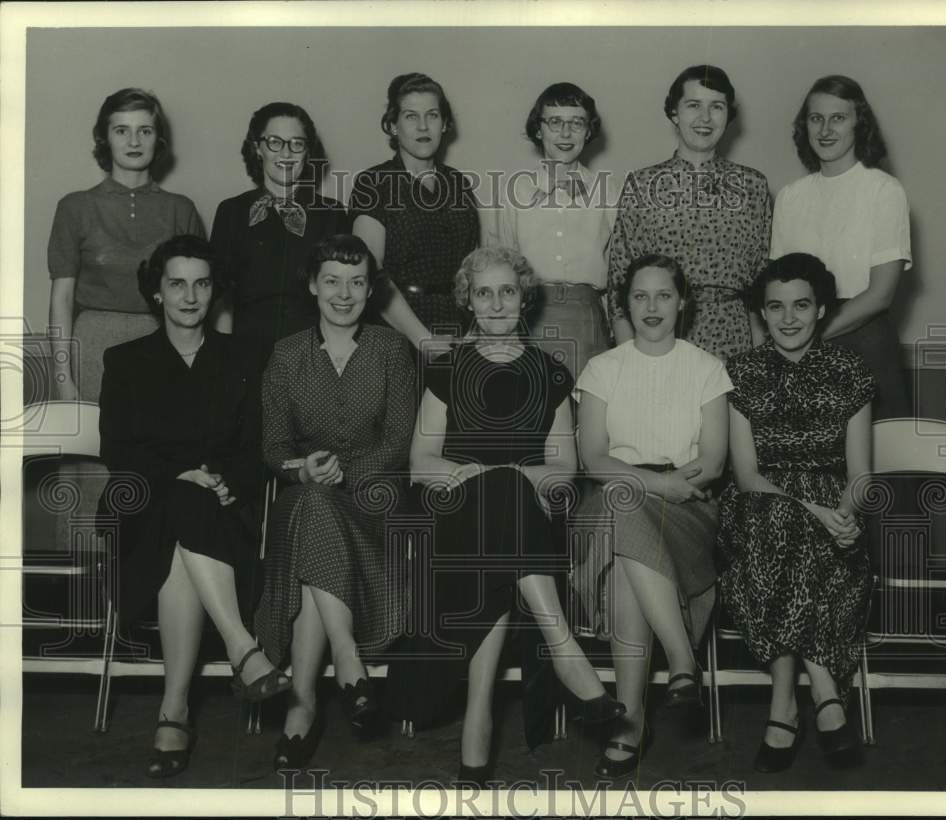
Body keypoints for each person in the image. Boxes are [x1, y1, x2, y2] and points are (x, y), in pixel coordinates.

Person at [391, 246, 625, 786]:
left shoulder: (550, 372)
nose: (496, 302)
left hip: (520, 531)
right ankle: (566, 653)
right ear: (467, 301)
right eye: (483, 292)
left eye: (507, 291)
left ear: (524, 298)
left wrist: (506, 479)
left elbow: (564, 468)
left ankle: (479, 719)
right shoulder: (447, 369)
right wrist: (488, 477)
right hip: (453, 525)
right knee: (501, 492)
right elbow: (421, 465)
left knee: (504, 506)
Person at [98, 234, 289, 780]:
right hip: (140, 508)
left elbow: (258, 447)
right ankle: (243, 648)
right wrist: (179, 475)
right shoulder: (126, 361)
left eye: (201, 283)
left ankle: (173, 711)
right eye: (176, 283)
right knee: (180, 499)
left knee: (188, 513)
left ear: (215, 292)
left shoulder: (244, 358)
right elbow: (118, 451)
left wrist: (231, 485)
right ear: (156, 292)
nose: (189, 295)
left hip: (222, 515)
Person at [254, 235, 416, 771]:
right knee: (313, 504)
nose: (343, 294)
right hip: (305, 496)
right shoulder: (288, 353)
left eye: (356, 282)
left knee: (315, 510)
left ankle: (301, 711)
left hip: (374, 501)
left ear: (371, 291)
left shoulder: (393, 350)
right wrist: (300, 468)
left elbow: (398, 440)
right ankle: (350, 665)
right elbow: (273, 445)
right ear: (311, 285)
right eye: (331, 280)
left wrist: (341, 472)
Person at [572, 253, 731, 779]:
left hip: (688, 507)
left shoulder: (707, 368)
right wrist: (659, 482)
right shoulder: (603, 368)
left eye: (664, 295)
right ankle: (681, 661)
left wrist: (666, 486)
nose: (652, 307)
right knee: (621, 507)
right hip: (626, 496)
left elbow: (712, 461)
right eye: (640, 296)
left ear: (683, 301)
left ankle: (632, 721)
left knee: (625, 555)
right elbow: (593, 458)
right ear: (625, 305)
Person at [716, 253, 874, 773]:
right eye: (776, 307)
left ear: (821, 309)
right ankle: (825, 690)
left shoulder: (849, 371)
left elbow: (861, 476)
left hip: (836, 514)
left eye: (801, 305)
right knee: (784, 522)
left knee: (800, 539)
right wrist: (821, 512)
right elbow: (747, 477)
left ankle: (783, 704)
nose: (788, 318)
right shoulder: (740, 373)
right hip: (758, 511)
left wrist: (846, 514)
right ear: (762, 313)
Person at [48, 87, 205, 402]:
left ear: (157, 139)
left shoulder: (181, 209)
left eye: (144, 131)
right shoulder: (75, 207)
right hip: (93, 348)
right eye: (122, 130)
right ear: (105, 139)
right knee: (96, 449)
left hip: (164, 344)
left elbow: (200, 298)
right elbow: (62, 300)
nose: (134, 141)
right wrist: (63, 379)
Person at [608, 65, 771, 363]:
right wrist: (628, 364)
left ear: (728, 115)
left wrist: (758, 365)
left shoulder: (753, 186)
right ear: (674, 112)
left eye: (716, 107)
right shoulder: (643, 184)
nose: (705, 118)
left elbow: (760, 288)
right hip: (660, 339)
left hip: (732, 341)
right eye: (693, 105)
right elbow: (620, 285)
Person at [770, 75, 911, 419]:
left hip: (863, 338)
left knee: (880, 462)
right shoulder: (790, 197)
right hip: (800, 333)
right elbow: (777, 286)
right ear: (805, 126)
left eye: (838, 118)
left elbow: (880, 294)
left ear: (858, 124)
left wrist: (809, 337)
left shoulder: (884, 190)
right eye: (816, 118)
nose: (826, 130)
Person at [210, 101, 350, 369]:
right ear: (257, 147)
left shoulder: (332, 213)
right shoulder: (232, 211)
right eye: (275, 141)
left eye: (297, 143)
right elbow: (221, 300)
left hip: (315, 356)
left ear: (307, 152)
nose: (286, 152)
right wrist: (225, 360)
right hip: (245, 356)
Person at [492, 82, 618, 377]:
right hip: (531, 316)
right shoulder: (516, 191)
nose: (565, 133)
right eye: (555, 122)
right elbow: (504, 262)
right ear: (539, 129)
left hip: (587, 317)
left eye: (576, 123)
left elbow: (617, 268)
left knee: (589, 411)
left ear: (588, 131)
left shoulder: (607, 191)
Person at [351, 72, 480, 356]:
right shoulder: (374, 183)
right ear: (393, 126)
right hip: (396, 333)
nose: (423, 126)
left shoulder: (458, 183)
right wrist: (423, 339)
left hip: (459, 330)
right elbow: (369, 274)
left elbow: (473, 268)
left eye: (432, 115)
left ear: (445, 123)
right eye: (411, 116)